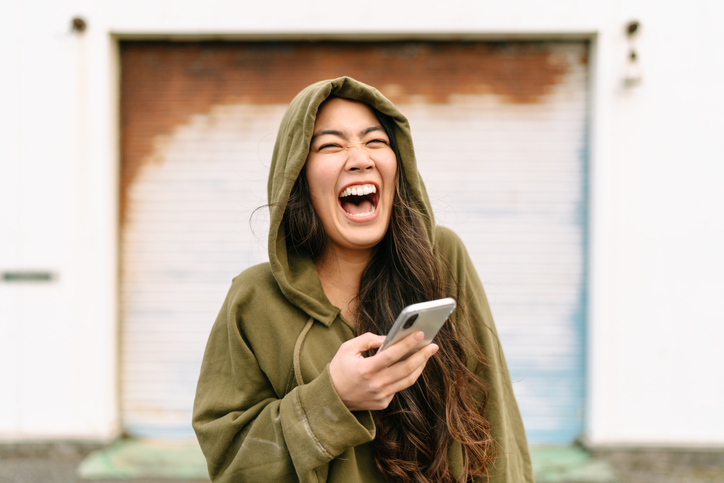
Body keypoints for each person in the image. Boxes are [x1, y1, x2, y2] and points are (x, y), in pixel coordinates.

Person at [192, 77, 533, 483]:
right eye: (331, 146)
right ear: (297, 177)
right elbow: (232, 464)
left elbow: (494, 420)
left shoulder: (442, 257)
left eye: (375, 142)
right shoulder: (253, 299)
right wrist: (331, 401)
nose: (360, 158)